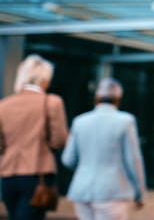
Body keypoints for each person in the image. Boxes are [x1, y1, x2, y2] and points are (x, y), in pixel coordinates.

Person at [62, 78, 146, 220]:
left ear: (96, 98)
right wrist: (140, 192)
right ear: (118, 99)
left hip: (81, 190)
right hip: (112, 191)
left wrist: (86, 167)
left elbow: (68, 159)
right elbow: (133, 160)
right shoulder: (126, 121)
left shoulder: (79, 121)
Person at [0, 54, 69, 220]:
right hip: (38, 176)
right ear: (45, 79)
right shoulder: (52, 102)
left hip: (7, 175)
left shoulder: (4, 105)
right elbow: (60, 140)